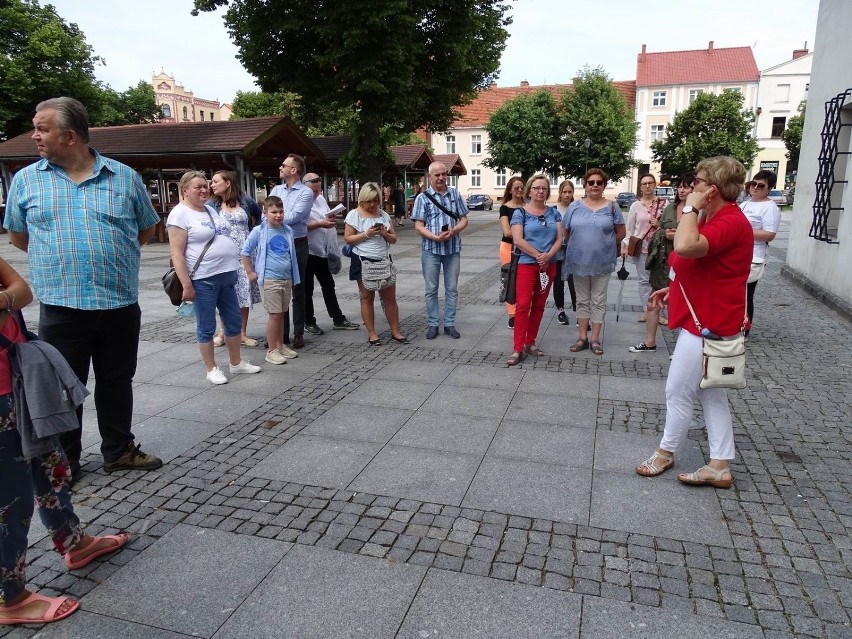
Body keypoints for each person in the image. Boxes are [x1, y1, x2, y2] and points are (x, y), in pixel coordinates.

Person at [4, 96, 162, 477]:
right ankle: (66, 460)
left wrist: (109, 254)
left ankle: (119, 450)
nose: (35, 136)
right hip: (62, 304)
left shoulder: (123, 177)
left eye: (42, 128)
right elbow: (18, 236)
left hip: (118, 302)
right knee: (62, 388)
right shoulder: (27, 180)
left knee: (117, 380)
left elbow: (145, 229)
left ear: (70, 135)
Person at [0, 257, 129, 626]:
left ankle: (74, 541)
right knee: (10, 500)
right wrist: (7, 299)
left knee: (52, 470)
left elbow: (22, 291)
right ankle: (9, 598)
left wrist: (6, 300)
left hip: (20, 385)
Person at [635, 156, 753, 488]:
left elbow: (685, 246)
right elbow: (707, 268)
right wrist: (675, 289)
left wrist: (689, 208)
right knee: (711, 393)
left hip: (708, 325)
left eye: (698, 182)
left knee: (678, 390)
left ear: (712, 189)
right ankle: (719, 465)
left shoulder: (728, 221)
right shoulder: (720, 218)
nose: (690, 186)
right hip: (709, 318)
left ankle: (665, 452)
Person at [167, 171, 262, 385]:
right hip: (203, 279)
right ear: (185, 191)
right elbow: (176, 253)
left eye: (205, 185)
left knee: (233, 321)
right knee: (207, 326)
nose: (203, 189)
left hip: (227, 275)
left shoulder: (210, 208)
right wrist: (186, 285)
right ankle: (212, 368)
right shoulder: (179, 214)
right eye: (197, 187)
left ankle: (236, 363)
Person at [562, 168, 626, 356]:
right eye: (591, 182)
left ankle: (595, 339)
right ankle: (582, 337)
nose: (595, 185)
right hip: (578, 261)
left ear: (604, 185)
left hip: (602, 262)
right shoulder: (574, 207)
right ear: (585, 185)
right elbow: (566, 231)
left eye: (599, 182)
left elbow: (621, 232)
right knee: (581, 300)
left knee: (598, 301)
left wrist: (605, 244)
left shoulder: (612, 207)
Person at [629, 172, 694, 353]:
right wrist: (664, 233)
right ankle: (650, 342)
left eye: (686, 186)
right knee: (653, 301)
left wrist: (679, 234)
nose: (682, 190)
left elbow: (701, 235)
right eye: (680, 186)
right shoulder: (670, 208)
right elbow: (660, 230)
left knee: (682, 305)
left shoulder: (699, 211)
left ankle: (684, 350)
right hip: (663, 260)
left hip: (687, 263)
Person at [506, 175, 563, 366]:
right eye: (537, 188)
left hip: (549, 266)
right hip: (527, 264)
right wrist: (539, 255)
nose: (540, 191)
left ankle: (530, 342)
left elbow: (559, 239)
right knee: (523, 306)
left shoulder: (554, 213)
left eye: (544, 188)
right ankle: (517, 347)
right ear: (529, 190)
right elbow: (518, 240)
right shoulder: (519, 213)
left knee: (539, 305)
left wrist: (548, 257)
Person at [344, 183, 409, 345]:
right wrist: (366, 234)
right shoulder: (354, 215)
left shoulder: (384, 215)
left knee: (390, 299)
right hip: (362, 260)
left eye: (375, 201)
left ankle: (395, 331)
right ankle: (372, 333)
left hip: (383, 259)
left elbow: (394, 239)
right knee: (366, 298)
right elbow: (348, 238)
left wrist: (385, 234)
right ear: (362, 200)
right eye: (369, 201)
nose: (372, 205)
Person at [411, 161, 469, 339]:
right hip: (431, 250)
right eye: (437, 175)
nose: (441, 178)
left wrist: (455, 230)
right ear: (429, 177)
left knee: (452, 288)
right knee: (431, 289)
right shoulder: (422, 198)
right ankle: (433, 324)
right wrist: (435, 237)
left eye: (444, 174)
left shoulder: (455, 194)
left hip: (452, 248)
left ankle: (450, 324)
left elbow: (464, 219)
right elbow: (419, 226)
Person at [241, 196, 301, 365]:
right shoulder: (259, 231)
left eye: (281, 211)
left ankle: (280, 345)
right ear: (265, 213)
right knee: (274, 315)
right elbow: (245, 251)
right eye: (274, 212)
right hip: (270, 278)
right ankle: (271, 350)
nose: (278, 215)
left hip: (286, 278)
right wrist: (250, 272)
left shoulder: (288, 230)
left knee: (281, 313)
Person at [208, 170, 263, 347]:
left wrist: (256, 236)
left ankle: (242, 333)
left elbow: (261, 218)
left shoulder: (245, 201)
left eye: (216, 181)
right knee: (226, 292)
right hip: (224, 256)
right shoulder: (212, 204)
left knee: (244, 292)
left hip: (245, 254)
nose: (212, 185)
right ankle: (223, 331)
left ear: (228, 183)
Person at [302, 173, 359, 335]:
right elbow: (296, 227)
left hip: (322, 251)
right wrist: (320, 223)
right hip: (307, 251)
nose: (317, 194)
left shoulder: (320, 199)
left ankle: (338, 318)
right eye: (314, 191)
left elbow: (324, 216)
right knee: (307, 288)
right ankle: (309, 321)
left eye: (319, 190)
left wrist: (330, 217)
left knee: (328, 285)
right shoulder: (301, 202)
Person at [270, 154, 313, 349]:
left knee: (298, 289)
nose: (280, 167)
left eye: (284, 165)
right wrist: (274, 217)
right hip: (279, 244)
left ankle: (298, 332)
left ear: (293, 170)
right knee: (280, 288)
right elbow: (267, 213)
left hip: (297, 243)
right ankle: (282, 334)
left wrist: (275, 218)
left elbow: (296, 216)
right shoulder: (277, 189)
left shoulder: (305, 192)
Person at [740, 170, 781, 337]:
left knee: (746, 295)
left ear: (769, 188)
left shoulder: (770, 208)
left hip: (754, 256)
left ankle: (744, 330)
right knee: (734, 293)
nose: (755, 187)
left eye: (761, 185)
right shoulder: (745, 204)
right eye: (753, 184)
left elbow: (769, 234)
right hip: (738, 254)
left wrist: (742, 232)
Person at [622, 174, 665, 322]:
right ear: (640, 187)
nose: (647, 186)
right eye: (644, 184)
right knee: (644, 281)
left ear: (655, 185)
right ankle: (647, 310)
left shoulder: (664, 204)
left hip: (660, 248)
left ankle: (657, 313)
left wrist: (659, 225)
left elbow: (671, 226)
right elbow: (630, 228)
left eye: (650, 183)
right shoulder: (635, 206)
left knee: (659, 281)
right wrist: (626, 246)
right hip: (642, 248)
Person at [499, 176, 525, 329]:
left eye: (522, 187)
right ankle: (512, 314)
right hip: (508, 247)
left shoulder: (527, 206)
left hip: (524, 249)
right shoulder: (505, 207)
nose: (520, 190)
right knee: (509, 279)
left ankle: (522, 309)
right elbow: (507, 232)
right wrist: (523, 235)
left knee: (524, 279)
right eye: (516, 188)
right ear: (510, 190)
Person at [554, 180, 578, 324]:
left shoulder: (577, 208)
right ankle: (560, 310)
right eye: (565, 192)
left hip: (572, 250)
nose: (567, 195)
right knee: (557, 282)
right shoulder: (554, 209)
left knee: (574, 282)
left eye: (570, 192)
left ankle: (578, 311)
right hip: (557, 250)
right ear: (560, 193)